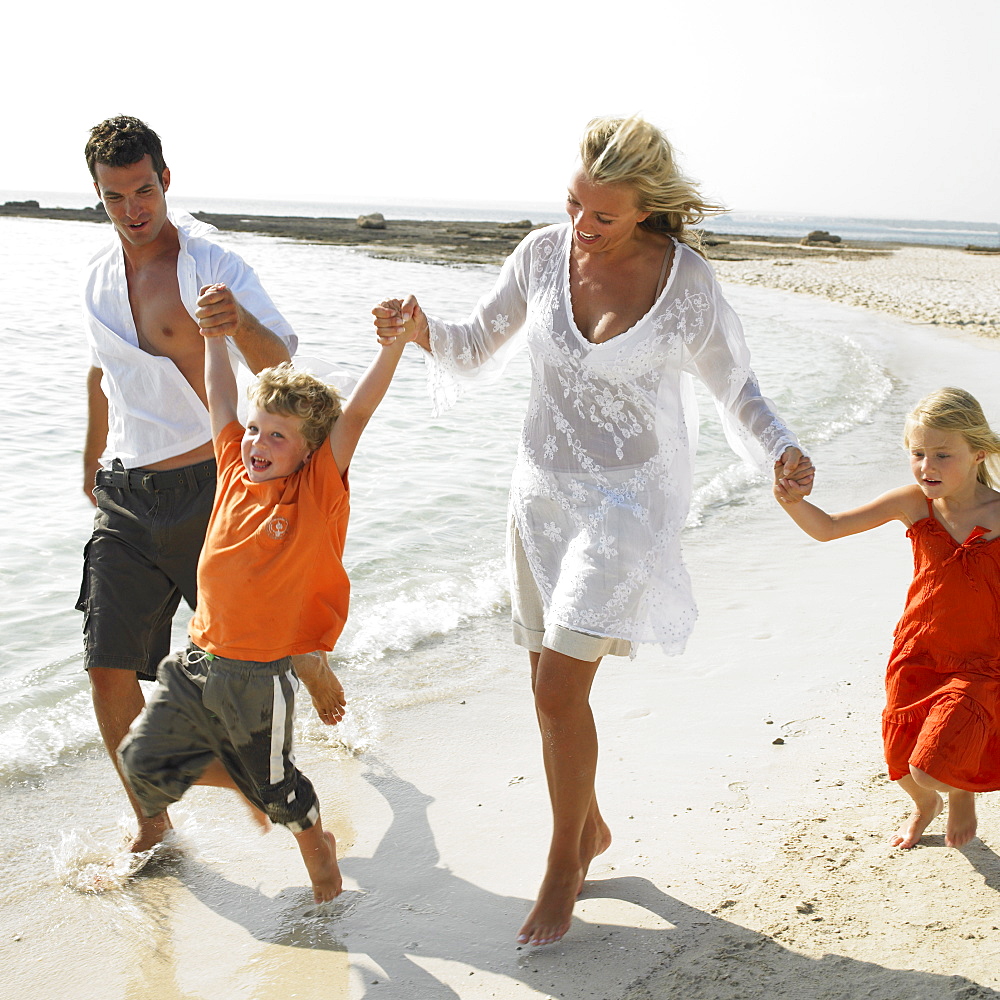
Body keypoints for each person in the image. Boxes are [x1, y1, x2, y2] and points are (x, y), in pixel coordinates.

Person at [373, 116, 814, 946]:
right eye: (573, 202)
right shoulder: (541, 254)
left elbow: (737, 392)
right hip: (540, 495)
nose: (581, 225)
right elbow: (473, 345)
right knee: (548, 686)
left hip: (627, 501)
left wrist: (782, 447)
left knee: (556, 692)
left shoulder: (684, 286)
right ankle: (593, 826)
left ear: (648, 210)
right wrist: (419, 328)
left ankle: (562, 863)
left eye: (602, 215)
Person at [79, 115, 343, 853]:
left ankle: (303, 653)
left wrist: (236, 323)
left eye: (143, 190)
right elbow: (103, 375)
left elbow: (278, 358)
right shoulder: (97, 279)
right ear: (98, 197)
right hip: (127, 497)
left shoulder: (211, 265)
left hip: (214, 491)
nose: (133, 209)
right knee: (105, 668)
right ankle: (153, 823)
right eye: (114, 196)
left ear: (166, 180)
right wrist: (89, 462)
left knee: (244, 665)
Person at [119, 295, 413, 901]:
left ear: (309, 451)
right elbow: (220, 393)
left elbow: (355, 416)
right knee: (139, 760)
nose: (257, 442)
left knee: (280, 791)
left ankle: (319, 857)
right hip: (199, 656)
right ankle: (237, 782)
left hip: (258, 672)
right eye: (257, 429)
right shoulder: (232, 465)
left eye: (277, 436)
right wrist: (216, 338)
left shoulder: (315, 491)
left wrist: (393, 348)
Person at [775, 387, 1000, 850]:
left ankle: (959, 795)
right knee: (901, 759)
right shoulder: (914, 503)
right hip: (917, 651)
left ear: (978, 451)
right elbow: (830, 528)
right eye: (917, 453)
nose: (926, 467)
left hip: (979, 661)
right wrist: (793, 503)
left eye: (942, 454)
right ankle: (925, 805)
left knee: (932, 761)